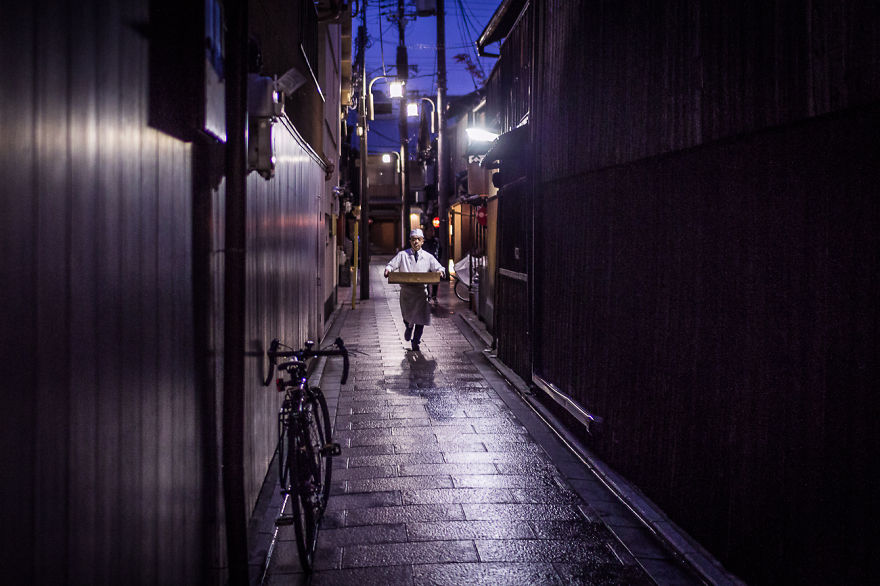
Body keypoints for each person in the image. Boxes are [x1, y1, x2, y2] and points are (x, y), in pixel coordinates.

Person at [384, 228, 446, 351]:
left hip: (421, 292)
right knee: (407, 316)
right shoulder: (402, 255)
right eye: (413, 240)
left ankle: (416, 341)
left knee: (421, 319)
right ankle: (408, 327)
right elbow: (391, 265)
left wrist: (440, 272)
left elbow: (439, 267)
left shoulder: (428, 257)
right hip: (407, 293)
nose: (416, 242)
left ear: (422, 241)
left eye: (418, 239)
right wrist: (388, 270)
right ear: (410, 241)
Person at [421, 226, 442, 304]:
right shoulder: (423, 241)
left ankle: (434, 296)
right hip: (425, 262)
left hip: (434, 262)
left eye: (432, 231)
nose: (431, 232)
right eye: (430, 230)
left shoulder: (436, 241)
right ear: (426, 232)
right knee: (426, 280)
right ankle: (428, 295)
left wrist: (438, 260)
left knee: (435, 280)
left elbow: (440, 250)